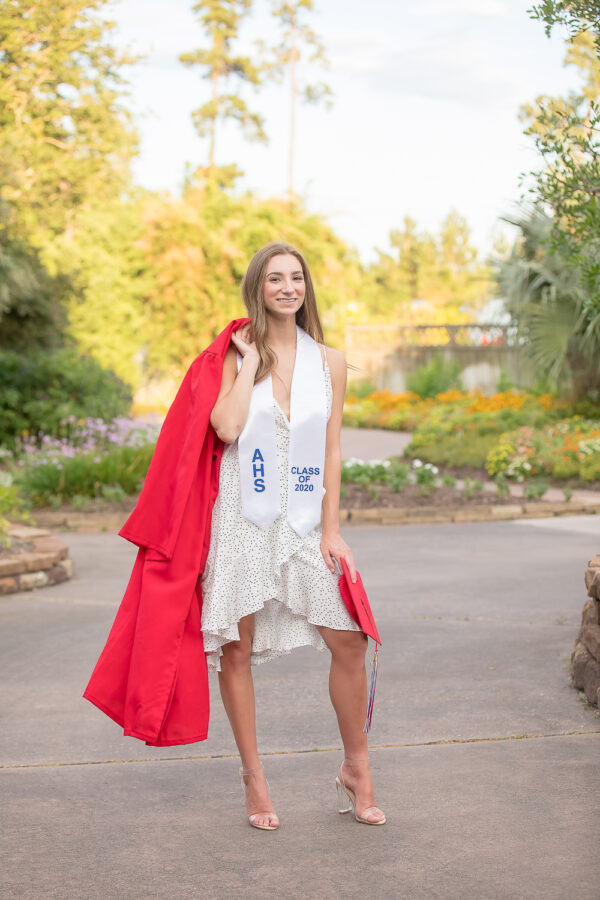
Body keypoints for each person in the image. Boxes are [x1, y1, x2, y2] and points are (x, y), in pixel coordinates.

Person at [203, 241, 386, 830]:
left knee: (350, 641)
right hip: (242, 514)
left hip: (304, 519)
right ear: (258, 287)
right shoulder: (235, 355)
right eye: (275, 278)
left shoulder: (329, 362)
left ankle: (357, 768)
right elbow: (227, 427)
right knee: (236, 647)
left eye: (296, 278)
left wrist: (332, 530)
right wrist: (250, 365)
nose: (288, 287)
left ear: (306, 287)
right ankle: (254, 778)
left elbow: (332, 447)